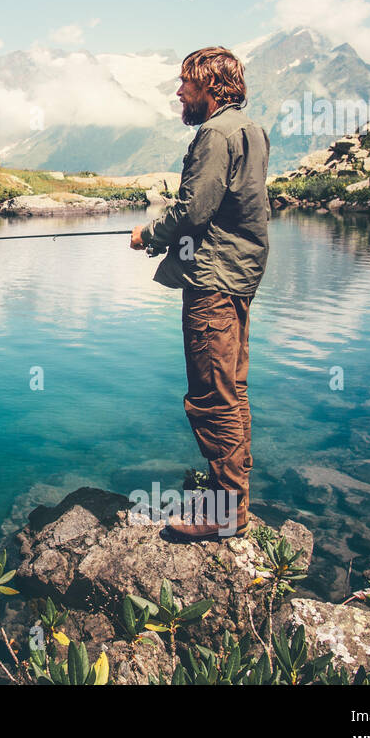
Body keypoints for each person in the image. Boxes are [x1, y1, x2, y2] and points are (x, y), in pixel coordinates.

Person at [130, 46, 270, 541]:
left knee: (211, 397)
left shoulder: (215, 133)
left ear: (209, 85)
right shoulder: (249, 129)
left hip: (212, 282)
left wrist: (147, 235)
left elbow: (193, 211)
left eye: (185, 84)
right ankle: (231, 494)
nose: (179, 92)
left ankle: (227, 512)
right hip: (238, 276)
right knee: (233, 391)